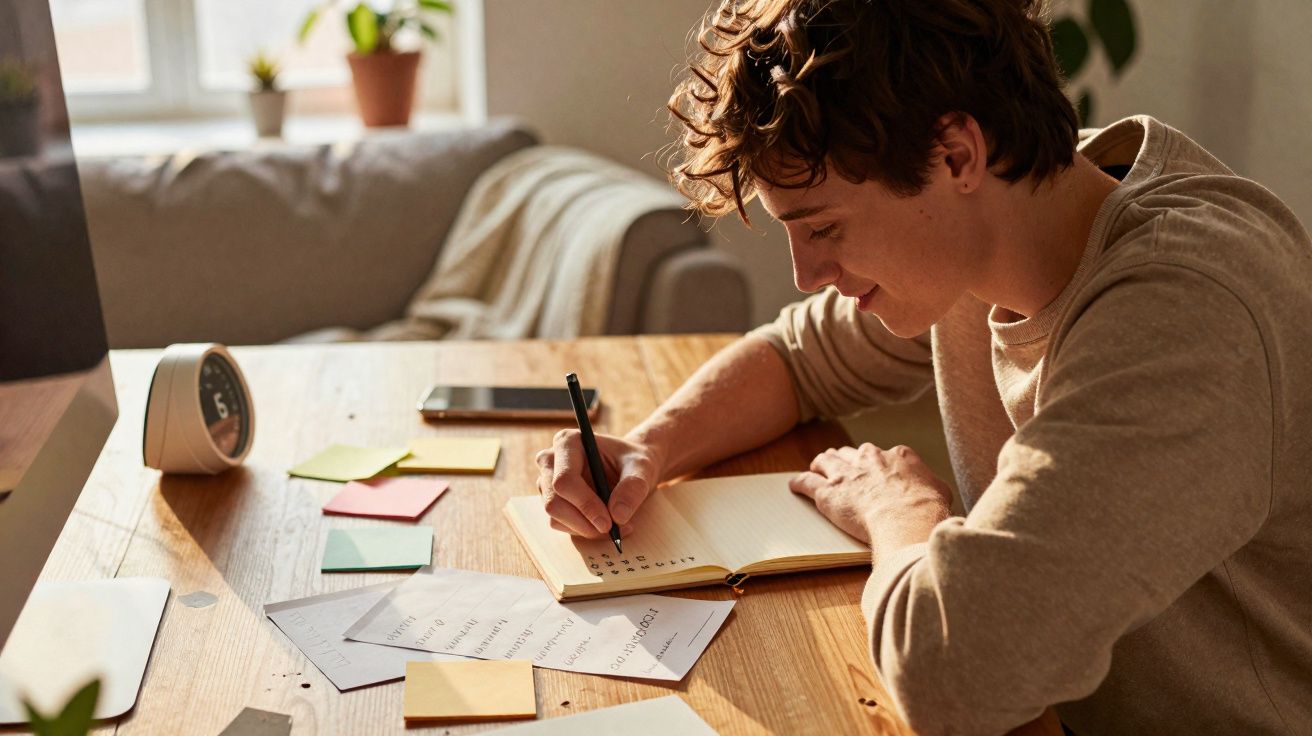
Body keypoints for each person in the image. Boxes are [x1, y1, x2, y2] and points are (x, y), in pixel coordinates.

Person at [534, 0, 1312, 732]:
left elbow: (956, 675)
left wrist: (901, 511)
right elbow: (802, 356)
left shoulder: (1184, 316)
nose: (807, 274)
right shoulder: (1006, 221)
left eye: (825, 227)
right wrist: (648, 448)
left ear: (955, 153)